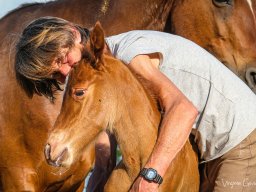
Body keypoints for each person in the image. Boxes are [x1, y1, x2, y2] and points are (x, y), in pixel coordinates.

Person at [15, 16, 256, 192]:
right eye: (56, 74)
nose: (66, 72)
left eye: (62, 59)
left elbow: (183, 109)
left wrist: (151, 175)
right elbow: (104, 153)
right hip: (206, 149)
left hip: (242, 138)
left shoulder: (129, 54)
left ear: (73, 33)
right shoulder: (102, 84)